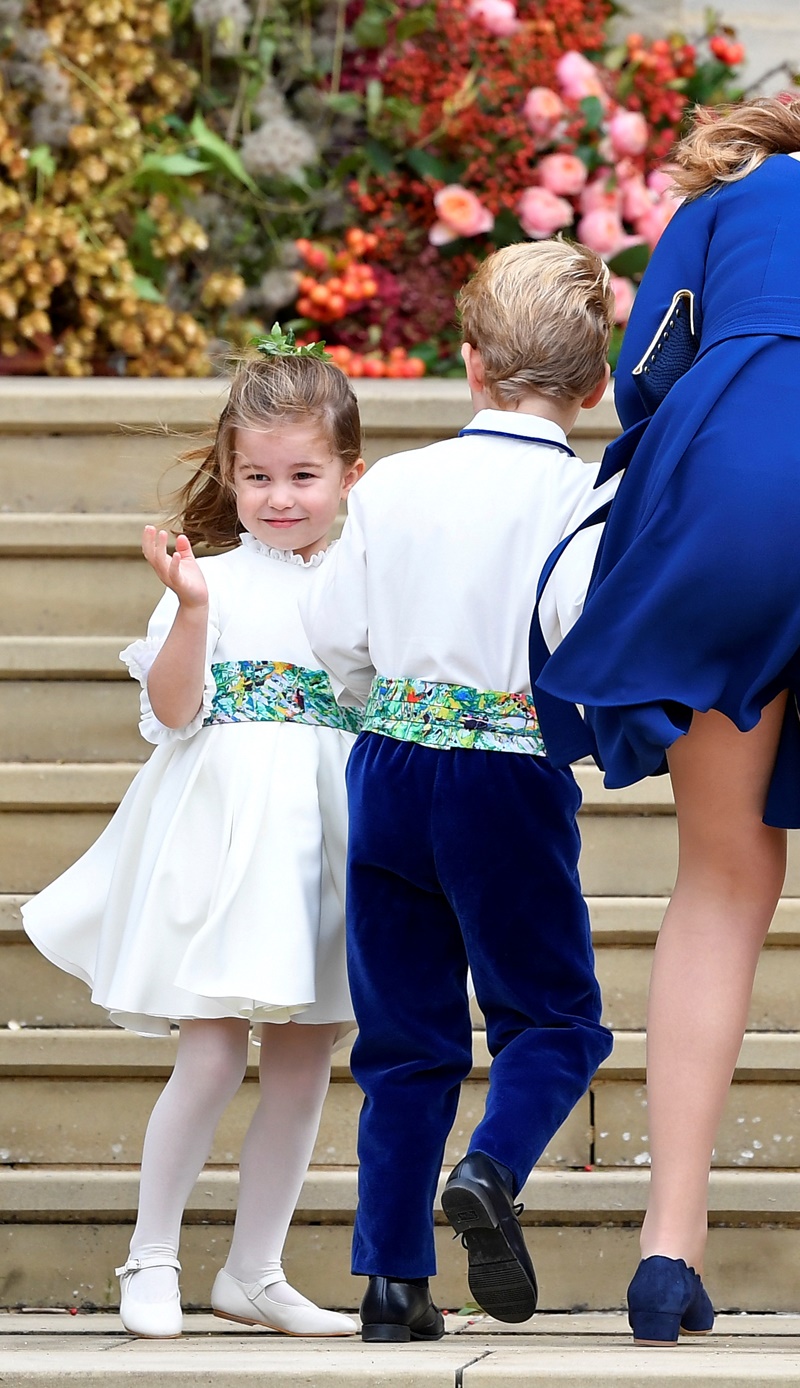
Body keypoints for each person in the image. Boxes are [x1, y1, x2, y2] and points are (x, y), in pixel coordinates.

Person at [302, 240, 618, 1342]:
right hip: (505, 776)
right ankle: (490, 1163)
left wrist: (378, 708)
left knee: (404, 1039)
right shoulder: (585, 496)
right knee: (553, 1016)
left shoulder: (393, 481)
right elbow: (581, 630)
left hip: (386, 764)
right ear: (593, 385)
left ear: (470, 362)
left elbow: (334, 632)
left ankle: (391, 1282)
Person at [22, 340, 365, 1340]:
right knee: (212, 1050)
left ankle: (253, 1268)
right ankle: (153, 1252)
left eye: (303, 475)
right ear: (228, 471)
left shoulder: (367, 577)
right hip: (222, 842)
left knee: (305, 1057)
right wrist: (190, 610)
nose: (279, 496)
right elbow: (172, 714)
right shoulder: (205, 578)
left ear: (350, 473)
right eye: (256, 475)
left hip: (326, 836)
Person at [535, 96, 800, 1346]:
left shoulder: (721, 204)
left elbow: (645, 377)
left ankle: (663, 1254)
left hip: (730, 487)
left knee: (719, 875)